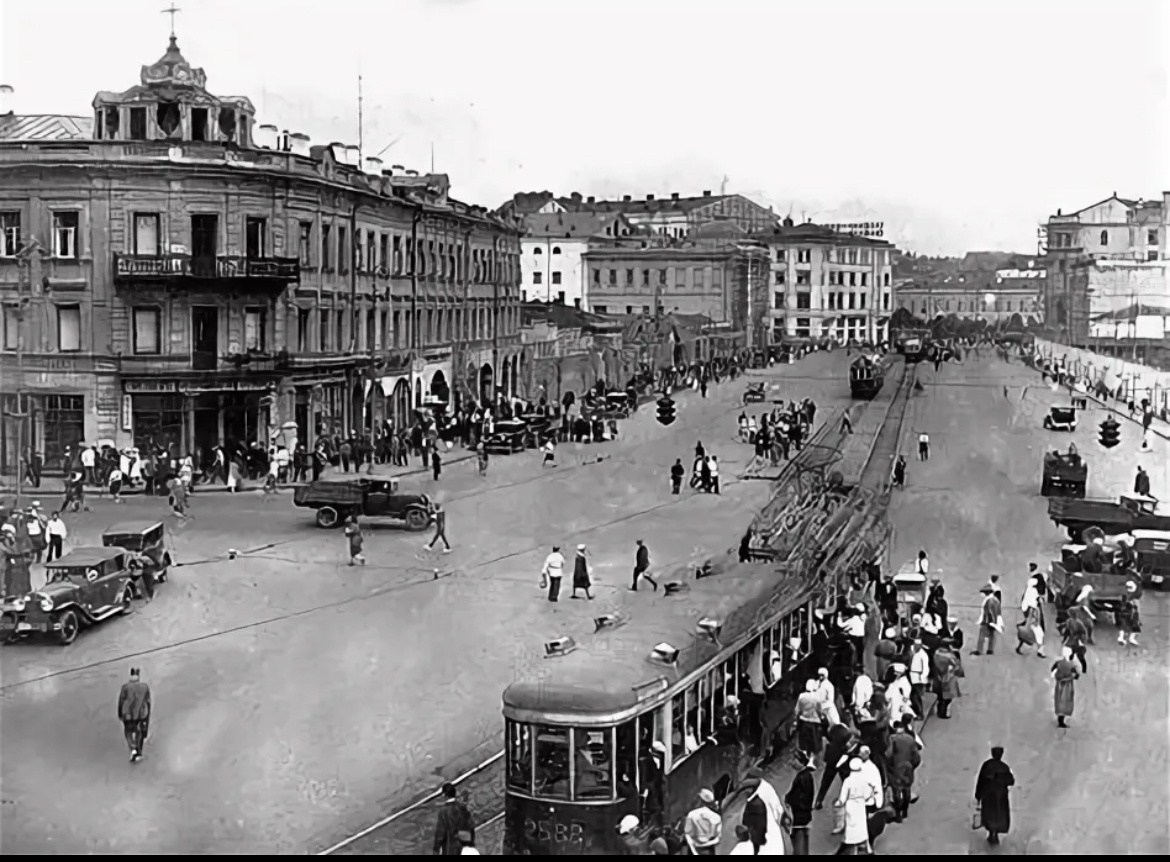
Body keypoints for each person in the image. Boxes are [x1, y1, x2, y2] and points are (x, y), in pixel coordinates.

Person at [974, 746, 1014, 845]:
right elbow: (1011, 780)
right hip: (999, 797)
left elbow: (981, 781)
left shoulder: (987, 765)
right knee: (997, 816)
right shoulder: (1004, 767)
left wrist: (978, 794)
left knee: (991, 815)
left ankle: (992, 833)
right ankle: (994, 834)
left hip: (991, 796)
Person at [886, 717, 921, 822]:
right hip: (908, 767)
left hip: (896, 768)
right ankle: (905, 811)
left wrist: (889, 768)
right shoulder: (910, 739)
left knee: (896, 791)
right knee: (906, 789)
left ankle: (898, 814)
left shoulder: (892, 739)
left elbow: (888, 755)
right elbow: (916, 757)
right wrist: (912, 766)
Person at [836, 758, 871, 854]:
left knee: (851, 827)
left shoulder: (848, 780)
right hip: (860, 805)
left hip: (851, 805)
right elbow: (868, 794)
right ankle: (864, 848)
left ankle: (848, 849)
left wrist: (839, 803)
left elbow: (843, 796)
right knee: (862, 827)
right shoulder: (863, 780)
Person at [117, 667, 152, 762]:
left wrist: (120, 713)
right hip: (140, 713)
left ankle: (133, 748)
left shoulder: (125, 687)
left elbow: (121, 701)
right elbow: (148, 701)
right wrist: (147, 716)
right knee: (138, 731)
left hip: (127, 714)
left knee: (128, 732)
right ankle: (137, 749)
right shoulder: (144, 687)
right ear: (138, 676)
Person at [785, 751, 816, 854]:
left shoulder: (803, 777)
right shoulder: (805, 775)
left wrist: (790, 803)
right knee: (802, 839)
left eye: (795, 760)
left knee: (799, 841)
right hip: (803, 815)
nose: (792, 762)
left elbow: (800, 798)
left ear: (801, 762)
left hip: (799, 815)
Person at [432, 782, 475, 855]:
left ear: (444, 795)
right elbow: (470, 826)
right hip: (464, 847)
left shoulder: (443, 812)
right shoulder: (462, 808)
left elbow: (440, 833)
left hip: (450, 849)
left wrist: (436, 850)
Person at [683, 788, 721, 855]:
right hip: (709, 851)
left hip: (694, 850)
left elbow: (688, 835)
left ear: (700, 800)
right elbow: (718, 839)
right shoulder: (716, 817)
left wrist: (695, 851)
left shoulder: (691, 814)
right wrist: (706, 844)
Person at [931, 639, 963, 719]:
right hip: (948, 678)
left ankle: (940, 711)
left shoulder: (937, 653)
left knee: (940, 696)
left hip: (937, 677)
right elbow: (957, 666)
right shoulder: (950, 656)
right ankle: (942, 713)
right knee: (947, 698)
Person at [1051, 645, 1080, 728]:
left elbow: (1052, 671)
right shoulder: (1071, 665)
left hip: (1059, 684)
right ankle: (1062, 719)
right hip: (1068, 685)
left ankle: (1060, 718)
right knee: (1066, 701)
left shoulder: (1058, 663)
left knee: (1059, 700)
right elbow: (1077, 675)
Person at [972, 585, 1001, 655]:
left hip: (987, 621)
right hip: (994, 621)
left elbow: (989, 612)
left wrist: (988, 621)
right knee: (991, 635)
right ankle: (990, 649)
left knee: (982, 636)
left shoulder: (989, 600)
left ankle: (979, 650)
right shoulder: (996, 600)